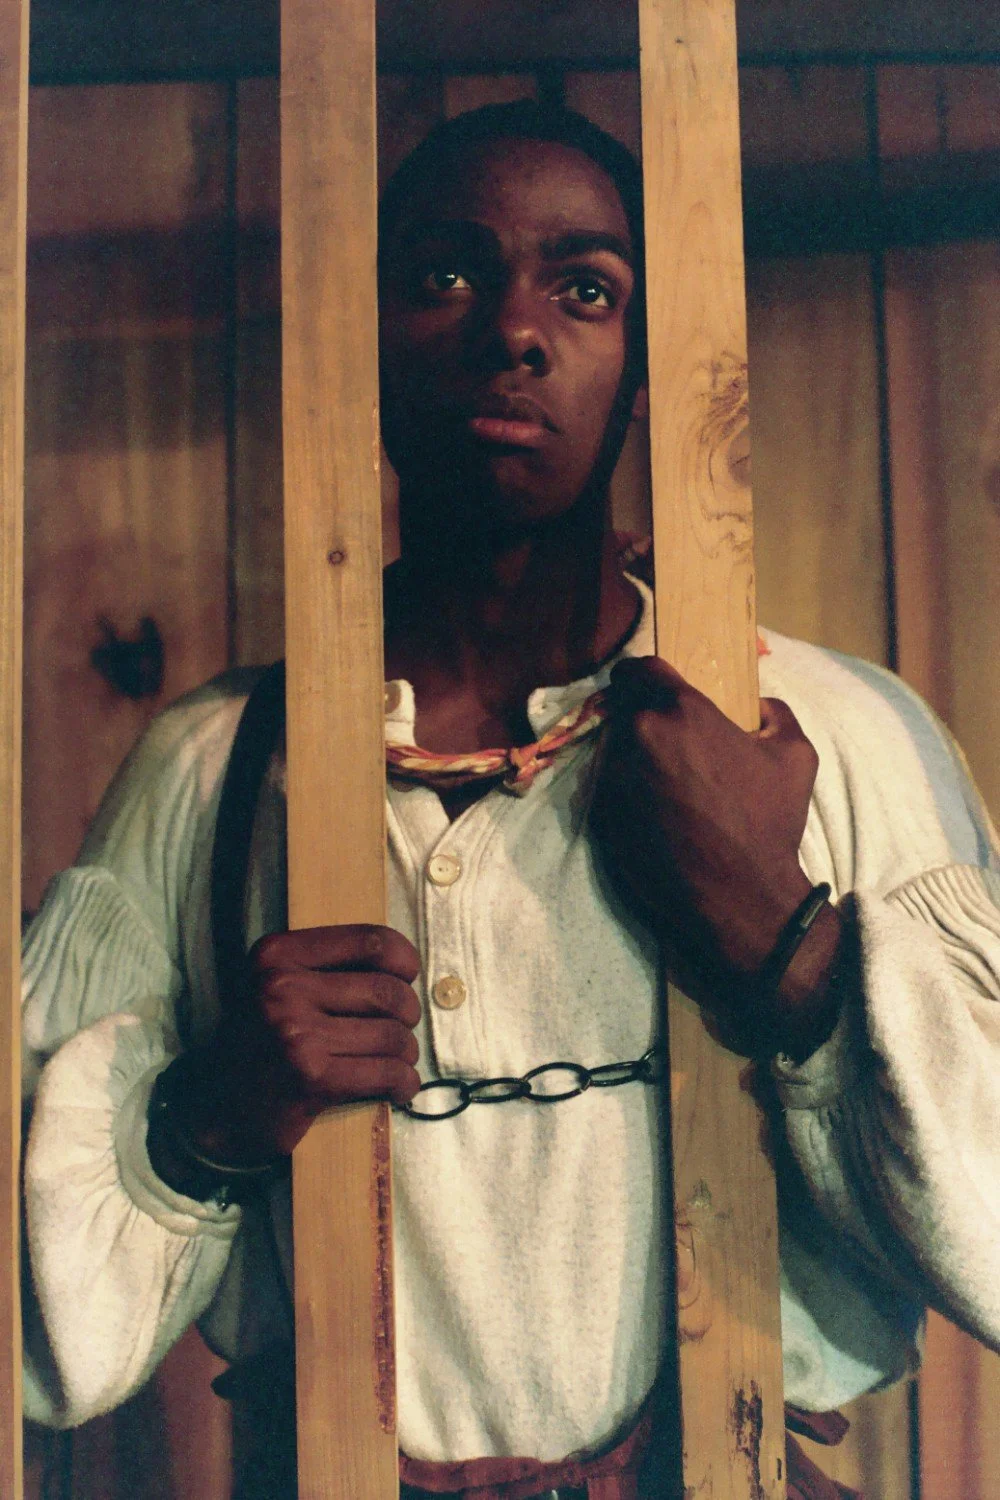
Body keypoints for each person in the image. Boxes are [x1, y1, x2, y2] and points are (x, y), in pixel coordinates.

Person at [20, 103, 1000, 1498]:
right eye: (444, 276)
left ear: (650, 360)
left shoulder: (829, 733)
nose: (513, 333)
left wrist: (792, 956)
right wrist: (207, 1117)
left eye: (585, 288)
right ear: (358, 340)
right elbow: (33, 1344)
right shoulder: (219, 764)